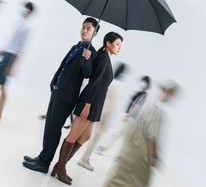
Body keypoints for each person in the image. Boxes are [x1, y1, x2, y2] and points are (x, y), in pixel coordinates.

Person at [22, 17, 99, 174]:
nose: (84, 30)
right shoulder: (76, 46)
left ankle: (44, 163)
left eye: (89, 28)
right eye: (83, 27)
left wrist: (87, 59)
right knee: (49, 127)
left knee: (54, 129)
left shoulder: (91, 53)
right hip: (57, 91)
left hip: (66, 97)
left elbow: (88, 74)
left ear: (95, 33)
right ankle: (42, 157)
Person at [51, 32, 123, 185]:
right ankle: (60, 167)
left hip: (96, 103)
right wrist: (88, 104)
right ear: (108, 43)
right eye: (117, 44)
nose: (119, 48)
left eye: (120, 45)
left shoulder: (105, 58)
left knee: (85, 137)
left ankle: (60, 166)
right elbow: (94, 82)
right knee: (74, 135)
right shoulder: (104, 58)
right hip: (90, 101)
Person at [103, 80, 179, 187]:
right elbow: (152, 135)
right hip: (139, 155)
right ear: (169, 93)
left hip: (129, 149)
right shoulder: (157, 108)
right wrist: (155, 156)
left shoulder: (148, 99)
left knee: (115, 179)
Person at [77, 63, 127, 171]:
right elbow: (113, 104)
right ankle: (84, 159)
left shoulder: (110, 81)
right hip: (104, 116)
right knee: (94, 138)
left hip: (99, 111)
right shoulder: (118, 85)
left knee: (88, 135)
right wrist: (108, 118)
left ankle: (82, 157)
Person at [95, 75, 151, 155]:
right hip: (130, 116)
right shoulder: (139, 92)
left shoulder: (144, 95)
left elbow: (137, 106)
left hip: (132, 118)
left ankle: (103, 148)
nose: (142, 83)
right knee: (123, 135)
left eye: (144, 82)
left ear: (148, 84)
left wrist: (128, 115)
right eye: (141, 81)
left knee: (119, 134)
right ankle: (117, 153)